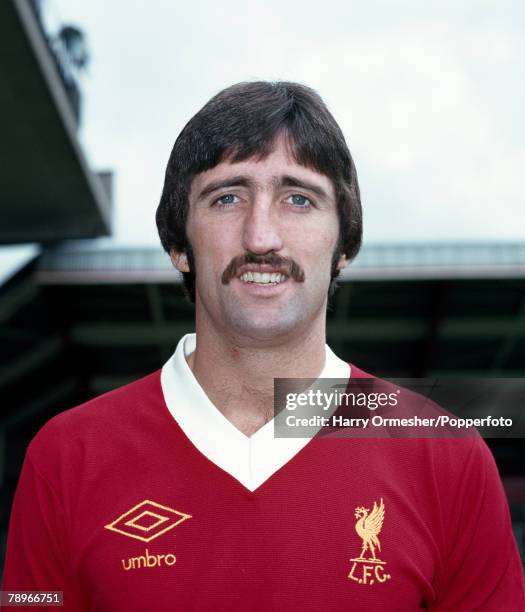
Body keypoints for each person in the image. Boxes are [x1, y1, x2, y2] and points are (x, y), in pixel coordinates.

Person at [2, 81, 524, 611]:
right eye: (227, 197)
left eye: (298, 198)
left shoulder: (449, 458)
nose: (261, 236)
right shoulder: (65, 457)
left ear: (343, 244)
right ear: (179, 245)